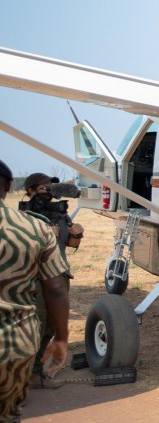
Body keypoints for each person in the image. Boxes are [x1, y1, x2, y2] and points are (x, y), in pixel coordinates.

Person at [0, 160, 70, 422]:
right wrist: (62, 338)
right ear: (9, 186)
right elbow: (55, 289)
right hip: (13, 346)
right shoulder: (35, 228)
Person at [21, 173, 83, 378]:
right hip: (36, 277)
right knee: (35, 324)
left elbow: (72, 245)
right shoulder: (25, 215)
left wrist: (76, 234)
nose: (50, 189)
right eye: (44, 186)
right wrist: (46, 236)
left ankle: (35, 372)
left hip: (60, 274)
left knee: (50, 326)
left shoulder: (61, 213)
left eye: (51, 186)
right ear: (31, 190)